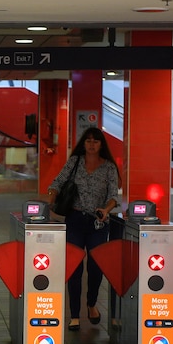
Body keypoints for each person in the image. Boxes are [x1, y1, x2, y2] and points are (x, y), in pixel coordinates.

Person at [47, 127, 120, 331]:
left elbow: (114, 195)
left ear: (101, 144)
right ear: (83, 143)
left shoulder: (109, 168)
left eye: (95, 141)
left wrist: (106, 209)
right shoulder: (75, 162)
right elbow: (58, 181)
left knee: (96, 267)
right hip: (75, 219)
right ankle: (75, 314)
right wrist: (51, 195)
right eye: (88, 140)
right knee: (75, 266)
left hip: (98, 222)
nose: (91, 144)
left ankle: (91, 303)